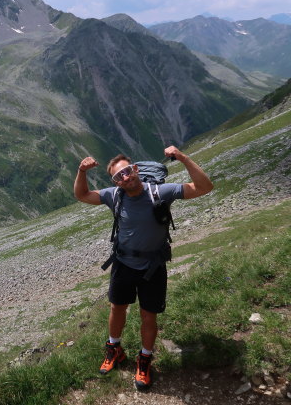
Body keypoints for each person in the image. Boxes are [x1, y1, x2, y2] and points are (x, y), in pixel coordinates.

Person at [73, 145, 213, 390]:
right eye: (118, 176)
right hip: (123, 263)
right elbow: (82, 195)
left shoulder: (160, 192)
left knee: (149, 315)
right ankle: (114, 349)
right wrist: (81, 171)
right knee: (117, 308)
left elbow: (205, 187)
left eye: (127, 171)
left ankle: (145, 359)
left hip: (153, 266)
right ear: (115, 182)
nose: (124, 178)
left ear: (135, 169)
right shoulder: (114, 195)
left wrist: (181, 157)